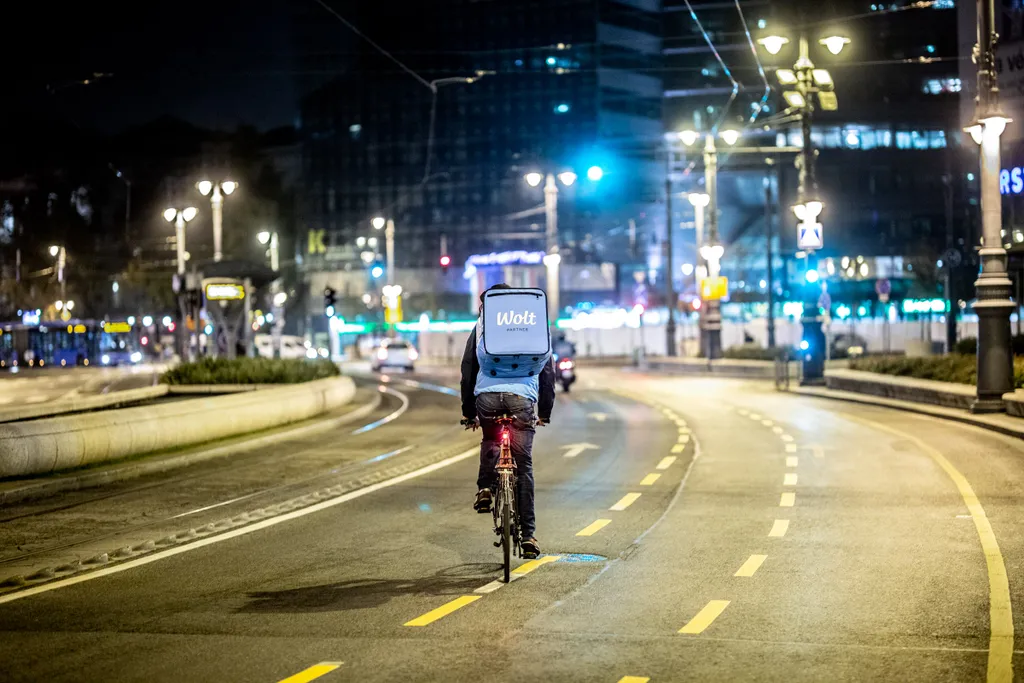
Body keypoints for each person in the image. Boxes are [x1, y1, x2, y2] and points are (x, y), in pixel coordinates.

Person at [461, 283, 556, 560]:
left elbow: (468, 369)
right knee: (523, 465)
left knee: (491, 438)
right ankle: (528, 536)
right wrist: (545, 412)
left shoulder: (482, 325)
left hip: (487, 400)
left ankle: (486, 489)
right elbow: (546, 371)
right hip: (522, 400)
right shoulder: (533, 326)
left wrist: (469, 412)